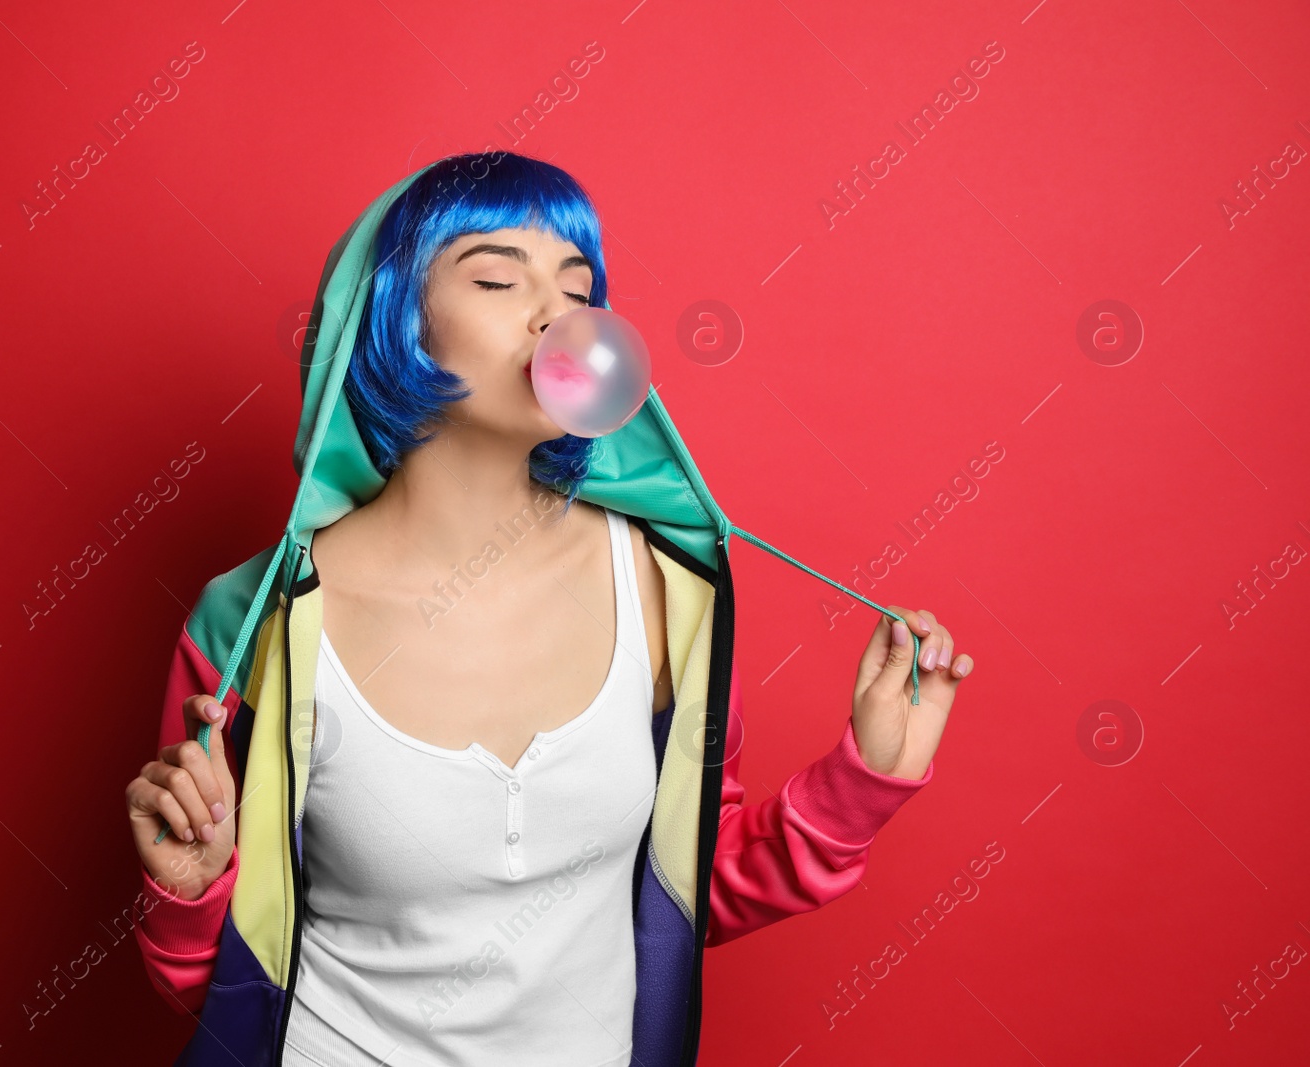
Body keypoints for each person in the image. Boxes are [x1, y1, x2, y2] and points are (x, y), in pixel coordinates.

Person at [126, 152, 971, 1067]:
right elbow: (222, 986)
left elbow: (692, 883)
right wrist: (185, 890)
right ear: (396, 322)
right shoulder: (255, 623)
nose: (556, 315)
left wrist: (862, 784)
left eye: (578, 286)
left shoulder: (666, 585)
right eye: (496, 276)